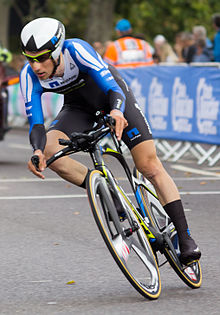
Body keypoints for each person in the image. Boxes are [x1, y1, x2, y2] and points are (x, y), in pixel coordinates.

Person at [19, 17, 201, 265]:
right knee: (50, 152)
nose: (36, 65)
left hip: (113, 97)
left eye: (42, 57)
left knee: (149, 166)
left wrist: (116, 112)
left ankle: (185, 235)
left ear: (58, 50)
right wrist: (37, 151)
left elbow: (111, 87)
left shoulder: (77, 50)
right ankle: (106, 193)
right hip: (78, 108)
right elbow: (37, 124)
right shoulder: (29, 75)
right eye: (30, 58)